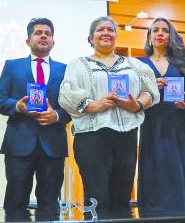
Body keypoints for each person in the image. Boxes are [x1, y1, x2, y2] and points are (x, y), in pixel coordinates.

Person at [59, 16, 159, 217]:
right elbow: (66, 95)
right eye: (100, 30)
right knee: (97, 198)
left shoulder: (134, 65)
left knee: (122, 198)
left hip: (127, 136)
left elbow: (151, 91)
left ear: (115, 36)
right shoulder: (78, 64)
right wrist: (93, 105)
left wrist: (136, 104)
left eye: (110, 30)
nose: (106, 33)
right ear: (90, 38)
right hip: (91, 137)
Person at [0, 17, 71, 215]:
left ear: (53, 41)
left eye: (48, 34)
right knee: (15, 201)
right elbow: (1, 100)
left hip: (53, 144)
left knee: (49, 204)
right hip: (19, 143)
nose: (44, 36)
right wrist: (18, 107)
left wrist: (56, 115)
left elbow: (71, 107)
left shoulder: (65, 70)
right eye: (38, 33)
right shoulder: (12, 66)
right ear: (28, 41)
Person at [137, 17, 185, 217]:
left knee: (183, 172)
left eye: (165, 30)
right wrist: (150, 88)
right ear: (149, 37)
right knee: (155, 173)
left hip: (178, 124)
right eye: (155, 30)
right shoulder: (138, 64)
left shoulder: (182, 62)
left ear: (170, 36)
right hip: (152, 124)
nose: (160, 33)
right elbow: (132, 95)